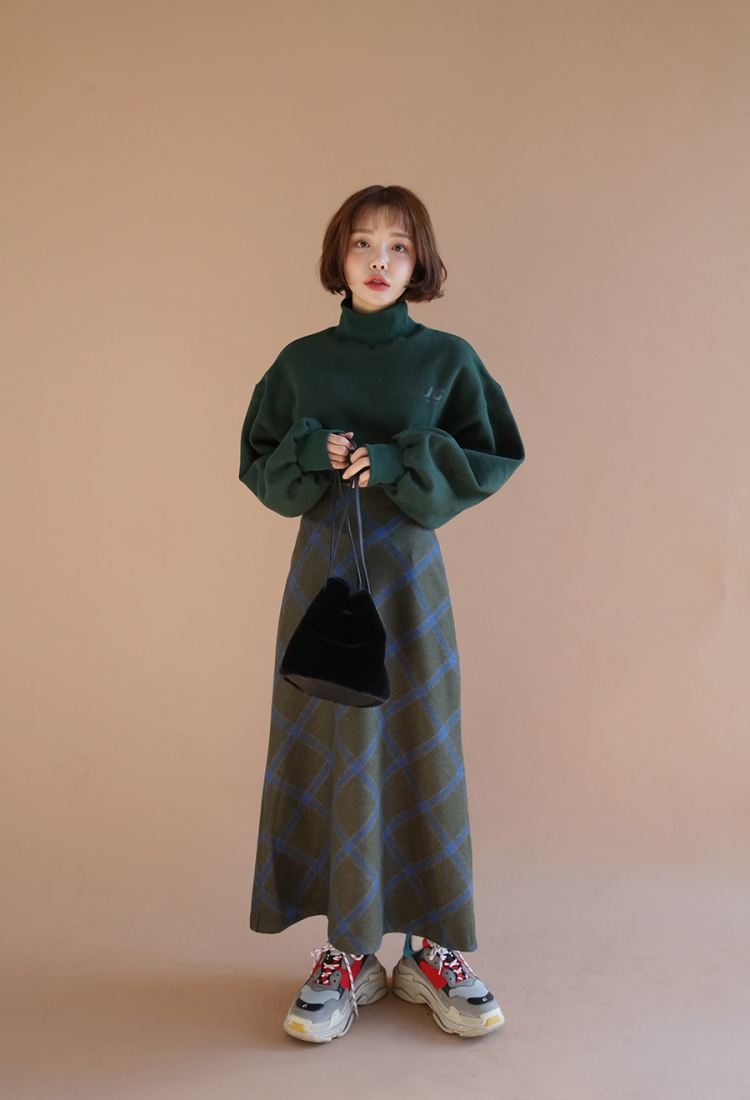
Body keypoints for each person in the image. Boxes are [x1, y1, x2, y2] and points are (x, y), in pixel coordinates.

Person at [239, 185, 524, 1042]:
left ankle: (430, 950)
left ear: (419, 262)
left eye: (398, 246)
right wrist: (307, 450)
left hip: (409, 582)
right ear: (338, 255)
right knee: (332, 742)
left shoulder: (447, 360)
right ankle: (349, 952)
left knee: (422, 740)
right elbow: (260, 465)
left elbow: (492, 452)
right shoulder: (300, 364)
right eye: (362, 243)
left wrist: (398, 460)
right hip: (324, 579)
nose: (378, 260)